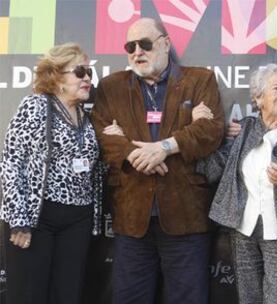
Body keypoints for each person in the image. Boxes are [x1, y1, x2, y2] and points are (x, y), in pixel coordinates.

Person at [90, 18, 224, 304]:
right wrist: (134, 153)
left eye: (145, 44)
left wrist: (165, 148)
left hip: (185, 217)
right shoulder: (111, 87)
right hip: (132, 220)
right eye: (130, 46)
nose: (137, 51)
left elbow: (211, 131)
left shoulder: (200, 80)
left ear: (165, 43)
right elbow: (101, 136)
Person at [197, 64, 277, 304]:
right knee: (249, 300)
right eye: (276, 88)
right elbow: (210, 169)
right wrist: (209, 130)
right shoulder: (242, 130)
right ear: (258, 98)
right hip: (244, 233)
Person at [0, 43, 102, 304]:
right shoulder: (34, 106)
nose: (88, 78)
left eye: (89, 72)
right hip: (37, 218)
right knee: (29, 295)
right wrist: (19, 219)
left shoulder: (85, 114)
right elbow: (12, 162)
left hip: (77, 220)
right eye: (80, 72)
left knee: (67, 295)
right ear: (57, 76)